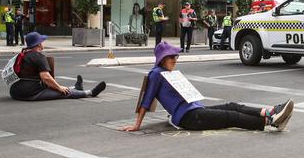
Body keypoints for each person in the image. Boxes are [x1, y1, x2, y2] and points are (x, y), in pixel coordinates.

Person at [119, 42, 294, 132]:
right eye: (171, 56)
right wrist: (137, 125)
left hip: (195, 110)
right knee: (230, 116)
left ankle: (270, 111)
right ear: (162, 59)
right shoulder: (155, 74)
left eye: (175, 56)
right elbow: (146, 100)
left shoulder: (169, 73)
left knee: (232, 105)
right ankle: (270, 122)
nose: (175, 59)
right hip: (189, 117)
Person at [9, 32, 106, 101]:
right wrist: (59, 88)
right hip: (31, 92)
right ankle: (90, 93)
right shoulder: (39, 57)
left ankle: (76, 87)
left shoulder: (21, 55)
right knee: (63, 93)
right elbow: (46, 78)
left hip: (15, 91)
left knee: (56, 87)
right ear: (39, 44)